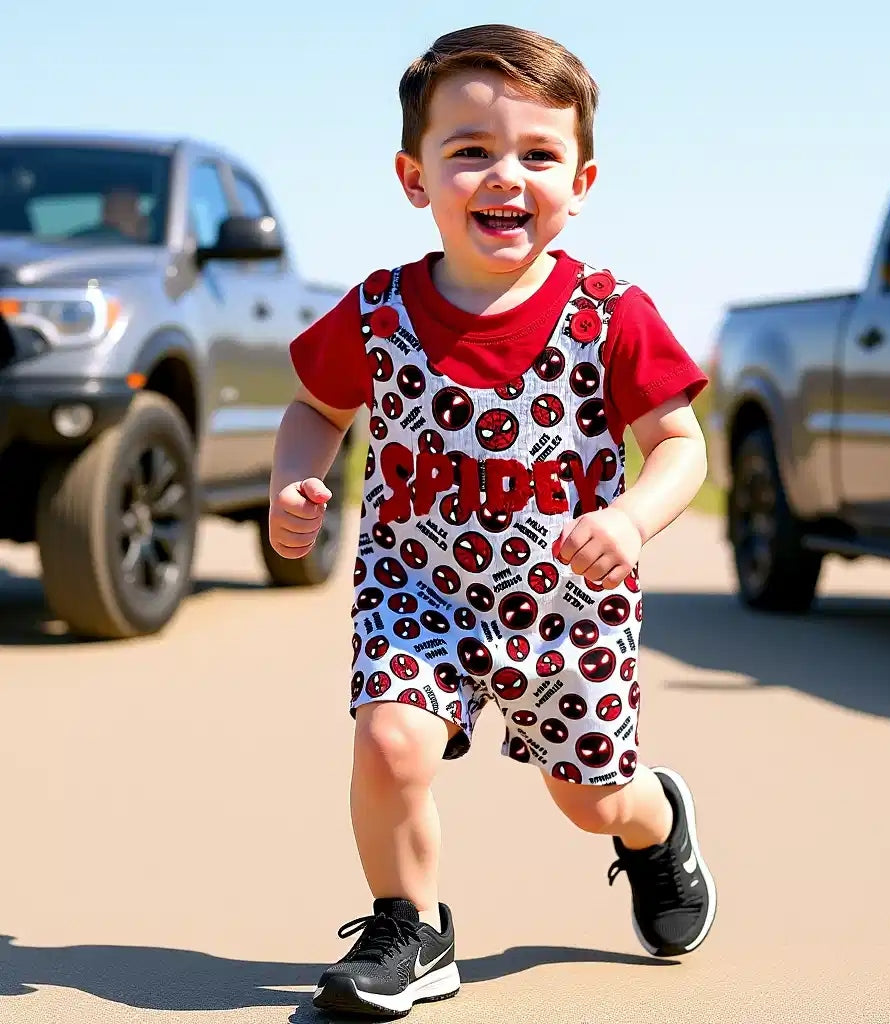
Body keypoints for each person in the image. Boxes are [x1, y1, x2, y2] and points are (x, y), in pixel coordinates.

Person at [269, 23, 716, 1019]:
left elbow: (681, 446)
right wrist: (294, 480)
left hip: (569, 604)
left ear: (581, 183)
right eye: (470, 149)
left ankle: (654, 824)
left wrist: (633, 518)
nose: (504, 174)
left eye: (538, 154)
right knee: (390, 742)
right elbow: (315, 409)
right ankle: (410, 928)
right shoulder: (379, 311)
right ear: (414, 177)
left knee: (590, 798)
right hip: (416, 589)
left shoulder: (609, 313)